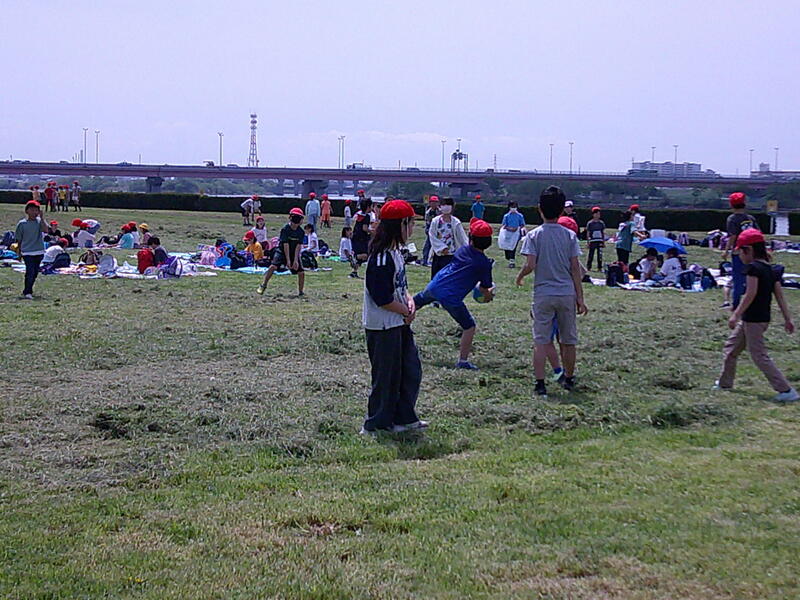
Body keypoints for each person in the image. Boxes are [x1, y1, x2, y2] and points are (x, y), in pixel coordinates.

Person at [516, 186, 588, 398]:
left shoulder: (534, 235)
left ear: (539, 209)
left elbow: (530, 264)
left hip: (543, 294)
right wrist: (580, 298)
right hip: (566, 293)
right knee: (568, 340)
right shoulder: (569, 236)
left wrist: (520, 276)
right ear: (562, 210)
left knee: (541, 340)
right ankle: (569, 378)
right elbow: (575, 269)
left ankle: (540, 384)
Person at [361, 199, 425, 434]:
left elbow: (400, 286)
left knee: (410, 370)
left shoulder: (396, 252)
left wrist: (409, 301)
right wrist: (404, 311)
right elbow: (381, 297)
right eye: (411, 223)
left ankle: (404, 417)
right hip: (383, 326)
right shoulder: (381, 257)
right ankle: (377, 424)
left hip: (398, 322)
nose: (413, 228)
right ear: (400, 225)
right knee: (386, 377)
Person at [715, 229, 798, 402]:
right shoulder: (771, 270)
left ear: (749, 250)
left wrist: (735, 314)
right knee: (731, 349)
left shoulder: (753, 269)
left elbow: (750, 294)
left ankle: (786, 390)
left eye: (740, 252)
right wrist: (787, 319)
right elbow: (780, 296)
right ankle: (724, 383)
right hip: (756, 319)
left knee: (758, 355)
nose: (740, 257)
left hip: (754, 320)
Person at [413, 218, 495, 369]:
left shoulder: (462, 250)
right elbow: (484, 289)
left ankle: (399, 325)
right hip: (451, 297)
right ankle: (463, 361)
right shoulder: (484, 264)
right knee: (469, 326)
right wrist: (489, 295)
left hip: (435, 285)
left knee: (414, 304)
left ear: (470, 238)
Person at [257, 208, 306, 296]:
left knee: (301, 272)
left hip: (293, 252)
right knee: (273, 267)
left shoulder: (301, 232)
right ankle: (263, 285)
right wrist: (288, 261)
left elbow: (298, 246)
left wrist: (295, 260)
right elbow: (285, 245)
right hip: (282, 251)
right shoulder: (285, 229)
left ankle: (301, 292)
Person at [723, 192, 759, 309]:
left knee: (737, 278)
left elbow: (732, 236)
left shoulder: (732, 219)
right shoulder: (750, 218)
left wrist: (726, 250)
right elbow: (757, 233)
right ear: (744, 204)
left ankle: (736, 304)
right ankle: (751, 303)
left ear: (731, 205)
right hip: (752, 251)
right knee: (751, 277)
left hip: (739, 252)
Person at [14, 200, 48, 299]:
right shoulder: (22, 224)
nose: (34, 212)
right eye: (32, 210)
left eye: (36, 210)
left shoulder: (39, 222)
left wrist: (42, 218)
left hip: (39, 251)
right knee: (30, 272)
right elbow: (19, 239)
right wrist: (19, 253)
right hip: (27, 252)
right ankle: (27, 291)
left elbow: (46, 230)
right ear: (27, 211)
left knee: (35, 272)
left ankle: (29, 289)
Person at [428, 198, 468, 278]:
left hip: (452, 256)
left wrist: (468, 251)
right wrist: (442, 248)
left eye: (448, 204)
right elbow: (432, 236)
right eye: (443, 204)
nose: (445, 206)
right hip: (439, 255)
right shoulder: (435, 221)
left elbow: (462, 238)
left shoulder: (456, 222)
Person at [499, 201, 526, 268]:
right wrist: (509, 228)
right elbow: (504, 225)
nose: (513, 208)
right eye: (512, 206)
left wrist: (519, 229)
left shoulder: (520, 216)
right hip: (508, 234)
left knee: (513, 247)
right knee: (507, 248)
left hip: (516, 235)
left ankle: (512, 262)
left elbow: (522, 224)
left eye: (515, 206)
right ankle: (509, 257)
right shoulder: (506, 216)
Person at [351, 197, 373, 264]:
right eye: (371, 206)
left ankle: (355, 257)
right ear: (368, 207)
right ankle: (354, 257)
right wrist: (372, 232)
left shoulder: (358, 214)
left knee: (359, 253)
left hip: (355, 236)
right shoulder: (367, 217)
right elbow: (365, 228)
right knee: (366, 255)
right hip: (362, 238)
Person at [585, 206, 605, 271]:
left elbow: (602, 232)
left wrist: (603, 241)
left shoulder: (601, 223)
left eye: (599, 214)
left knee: (600, 254)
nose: (597, 215)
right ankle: (589, 267)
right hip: (592, 240)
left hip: (600, 240)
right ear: (593, 214)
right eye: (596, 214)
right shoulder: (590, 223)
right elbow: (588, 233)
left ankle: (599, 267)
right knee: (591, 254)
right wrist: (588, 242)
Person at [421, 195, 440, 266]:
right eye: (432, 202)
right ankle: (424, 260)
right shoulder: (428, 212)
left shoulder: (440, 211)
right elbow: (427, 222)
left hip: (439, 231)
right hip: (430, 230)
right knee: (427, 247)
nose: (434, 204)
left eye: (435, 202)